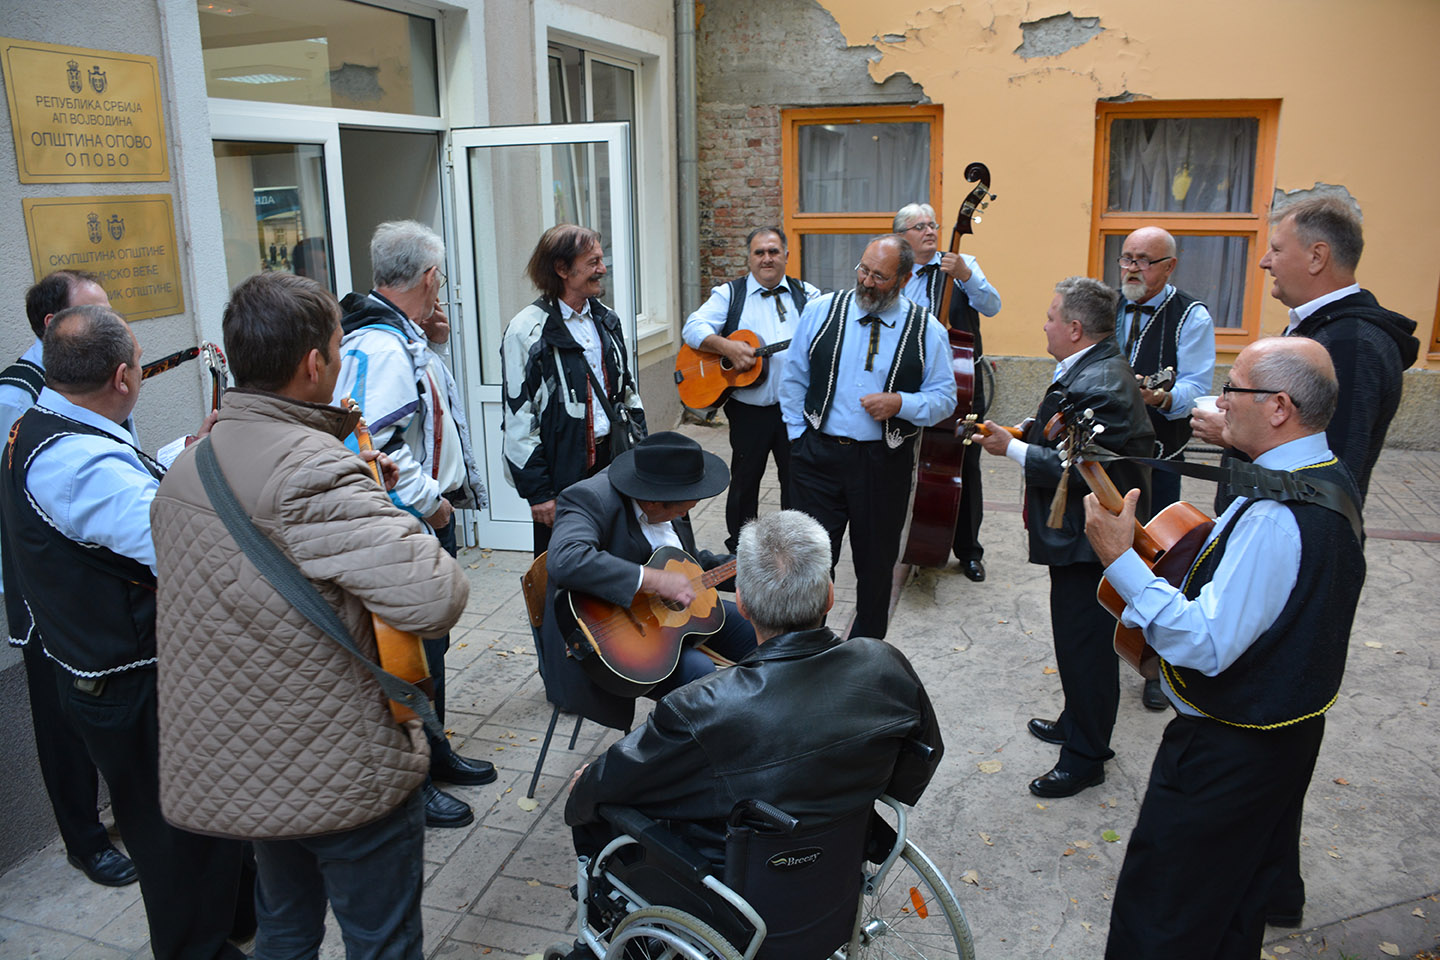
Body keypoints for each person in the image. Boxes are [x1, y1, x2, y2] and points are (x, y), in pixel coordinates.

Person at [152, 272, 470, 959]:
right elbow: (436, 597)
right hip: (341, 767)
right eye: (337, 346)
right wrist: (391, 509)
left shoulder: (184, 469)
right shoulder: (316, 469)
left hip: (247, 764)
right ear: (313, 364)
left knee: (286, 929)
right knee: (380, 941)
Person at [1089, 337, 1364, 959]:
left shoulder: (1279, 515)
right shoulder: (1325, 477)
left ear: (1278, 407)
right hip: (1284, 734)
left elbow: (1203, 644)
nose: (1217, 401)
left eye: (1232, 388)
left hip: (1227, 751)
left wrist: (1120, 559)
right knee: (1234, 904)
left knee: (1161, 915)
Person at [0, 305, 247, 959]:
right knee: (177, 836)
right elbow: (182, 547)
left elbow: (126, 502)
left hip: (118, 671)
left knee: (191, 824)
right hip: (130, 679)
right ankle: (201, 947)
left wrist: (182, 457)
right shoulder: (78, 460)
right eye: (140, 363)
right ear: (122, 377)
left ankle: (230, 922)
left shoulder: (51, 422)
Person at [565, 508, 942, 866]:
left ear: (740, 604)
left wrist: (586, 788)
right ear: (829, 596)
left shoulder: (699, 706)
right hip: (840, 856)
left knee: (592, 801)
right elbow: (923, 756)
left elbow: (619, 780)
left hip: (733, 876)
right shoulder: (884, 663)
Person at [333, 220, 493, 829]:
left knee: (432, 645)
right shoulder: (379, 345)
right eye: (441, 277)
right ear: (429, 277)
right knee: (411, 652)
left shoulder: (398, 336)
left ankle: (436, 750)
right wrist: (433, 502)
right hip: (409, 525)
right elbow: (373, 443)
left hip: (418, 521)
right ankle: (415, 778)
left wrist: (433, 343)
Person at [973, 277, 1152, 798]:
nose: (1044, 325)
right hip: (1079, 534)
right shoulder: (1087, 367)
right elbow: (1064, 434)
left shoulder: (1104, 383)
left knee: (1088, 647)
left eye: (1052, 317)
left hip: (1091, 540)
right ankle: (1077, 721)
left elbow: (1078, 465)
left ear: (1075, 329)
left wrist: (1010, 448)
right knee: (1075, 643)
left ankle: (1086, 756)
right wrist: (1026, 432)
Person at [0, 271, 138, 888]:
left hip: (89, 573)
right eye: (98, 311)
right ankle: (84, 840)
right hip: (44, 584)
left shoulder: (87, 382)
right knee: (60, 716)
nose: (113, 322)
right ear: (56, 327)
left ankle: (120, 817)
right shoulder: (18, 394)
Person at [778, 235, 957, 640]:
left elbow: (945, 398)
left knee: (876, 567)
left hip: (883, 463)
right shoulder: (822, 311)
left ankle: (865, 657)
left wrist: (901, 404)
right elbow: (793, 379)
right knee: (809, 565)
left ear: (906, 279)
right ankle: (802, 651)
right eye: (863, 270)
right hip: (816, 458)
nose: (867, 282)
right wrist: (798, 438)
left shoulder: (927, 330)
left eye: (880, 275)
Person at [1193, 194, 1418, 504]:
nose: (1264, 261)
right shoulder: (1322, 329)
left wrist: (1237, 436)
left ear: (1317, 257)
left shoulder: (1350, 344)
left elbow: (1330, 471)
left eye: (1276, 249)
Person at [540, 431, 756, 733]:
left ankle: (763, 724)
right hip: (609, 642)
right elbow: (566, 559)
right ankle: (690, 758)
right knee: (701, 676)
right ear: (654, 502)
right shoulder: (589, 498)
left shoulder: (673, 494)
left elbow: (689, 560)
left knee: (760, 631)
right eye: (683, 509)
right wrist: (652, 580)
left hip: (669, 622)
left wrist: (754, 567)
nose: (685, 514)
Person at [1113, 226, 1217, 711]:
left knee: (1161, 559)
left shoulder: (1190, 315)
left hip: (1160, 457)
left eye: (1145, 260)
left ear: (1169, 266)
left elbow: (1198, 385)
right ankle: (1106, 641)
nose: (1133, 268)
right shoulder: (1106, 304)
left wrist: (1164, 395)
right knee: (1106, 550)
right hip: (1107, 455)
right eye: (1127, 258)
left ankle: (1155, 662)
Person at [502, 224, 647, 556]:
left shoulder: (607, 320)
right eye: (594, 261)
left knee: (616, 558)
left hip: (612, 465)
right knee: (564, 569)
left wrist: (642, 455)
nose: (603, 269)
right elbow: (519, 419)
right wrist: (539, 493)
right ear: (562, 268)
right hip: (561, 475)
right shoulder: (526, 330)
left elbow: (628, 394)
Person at [681, 226, 819, 551]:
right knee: (745, 481)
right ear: (749, 258)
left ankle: (793, 547)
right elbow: (692, 327)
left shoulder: (809, 296)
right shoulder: (730, 294)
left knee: (796, 481)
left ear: (786, 255)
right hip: (748, 410)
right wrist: (725, 347)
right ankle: (741, 549)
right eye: (759, 252)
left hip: (794, 412)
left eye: (773, 251)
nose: (767, 258)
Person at [894, 202, 1003, 582]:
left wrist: (967, 275)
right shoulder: (899, 271)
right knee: (904, 462)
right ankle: (909, 539)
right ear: (902, 237)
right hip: (909, 384)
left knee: (964, 465)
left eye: (932, 225)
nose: (929, 231)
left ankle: (969, 551)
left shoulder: (962, 262)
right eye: (919, 226)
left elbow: (992, 306)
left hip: (960, 382)